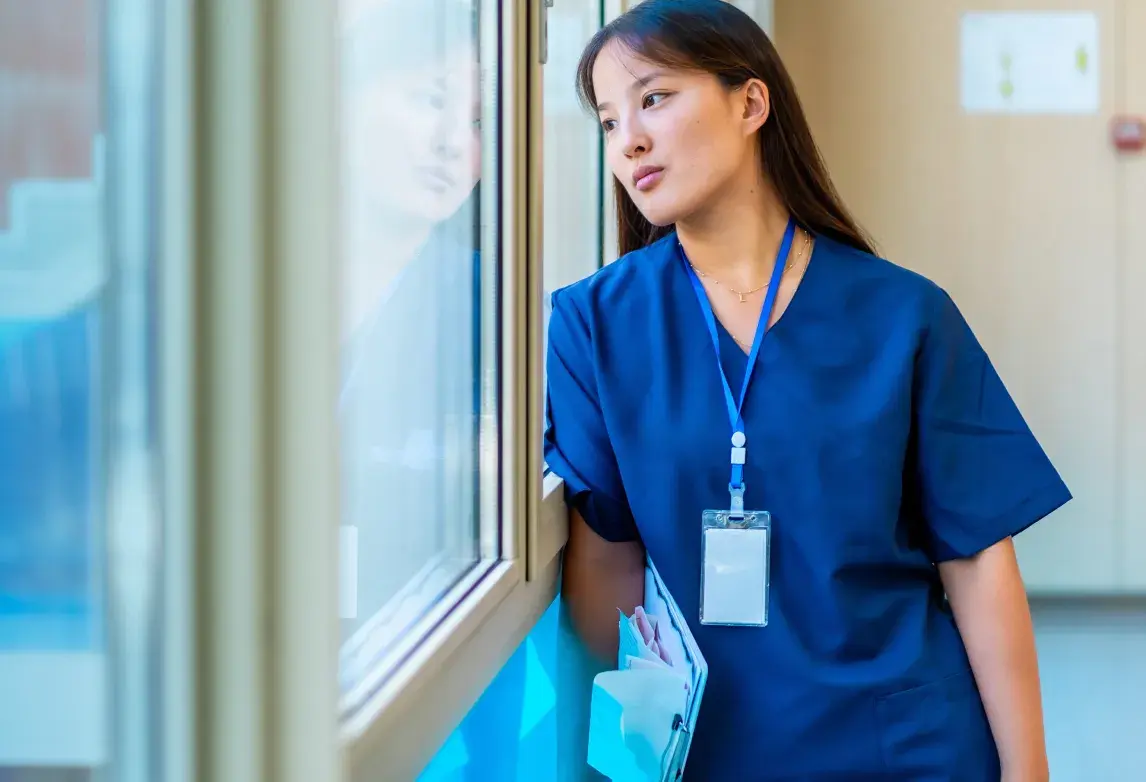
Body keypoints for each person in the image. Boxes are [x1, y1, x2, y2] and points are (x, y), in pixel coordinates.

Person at [544, 1, 1069, 780]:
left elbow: (978, 563)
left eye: (654, 98)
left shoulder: (904, 314)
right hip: (710, 750)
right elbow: (605, 568)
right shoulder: (593, 324)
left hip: (905, 743)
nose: (630, 141)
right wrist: (608, 767)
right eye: (610, 122)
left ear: (751, 102)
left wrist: (1029, 772)